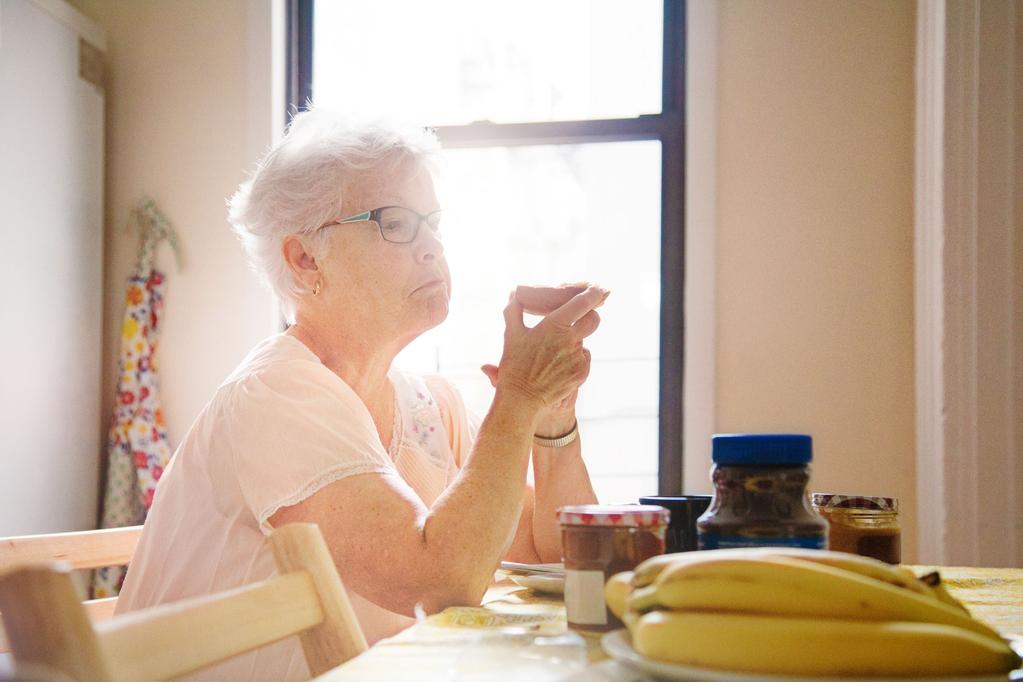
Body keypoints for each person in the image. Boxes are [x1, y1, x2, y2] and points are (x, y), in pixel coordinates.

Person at [115, 110, 604, 680]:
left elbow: (564, 558)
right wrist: (517, 393)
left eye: (433, 222)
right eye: (396, 222)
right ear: (305, 258)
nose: (432, 248)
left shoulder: (430, 406)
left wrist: (552, 416)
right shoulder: (277, 395)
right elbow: (440, 581)